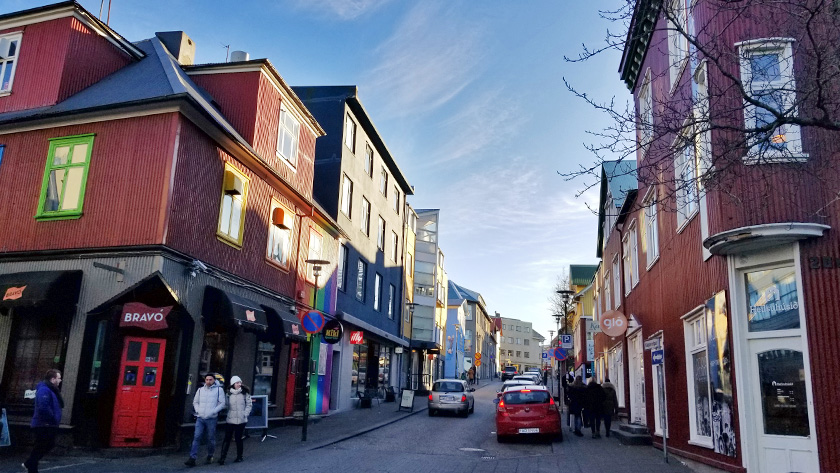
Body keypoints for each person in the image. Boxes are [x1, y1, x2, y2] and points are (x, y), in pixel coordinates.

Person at [23, 369, 63, 473]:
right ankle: (30, 465)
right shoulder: (44, 390)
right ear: (53, 379)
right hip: (44, 424)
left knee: (42, 446)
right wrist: (53, 417)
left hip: (48, 424)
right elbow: (43, 407)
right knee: (43, 445)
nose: (60, 380)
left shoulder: (51, 389)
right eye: (59, 378)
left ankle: (30, 466)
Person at [185, 373, 226, 467]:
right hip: (200, 418)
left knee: (210, 438)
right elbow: (195, 402)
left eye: (210, 380)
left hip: (211, 418)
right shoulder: (200, 390)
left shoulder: (219, 390)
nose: (208, 381)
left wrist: (213, 412)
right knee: (196, 437)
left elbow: (222, 403)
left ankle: (210, 455)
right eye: (207, 380)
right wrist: (198, 410)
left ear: (214, 380)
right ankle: (192, 458)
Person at [218, 376, 252, 465]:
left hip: (241, 420)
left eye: (240, 383)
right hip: (230, 418)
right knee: (227, 438)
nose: (239, 384)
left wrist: (245, 414)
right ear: (233, 384)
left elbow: (249, 404)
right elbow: (225, 404)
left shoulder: (245, 393)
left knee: (238, 438)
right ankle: (222, 457)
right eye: (237, 383)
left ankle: (239, 456)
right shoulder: (229, 394)